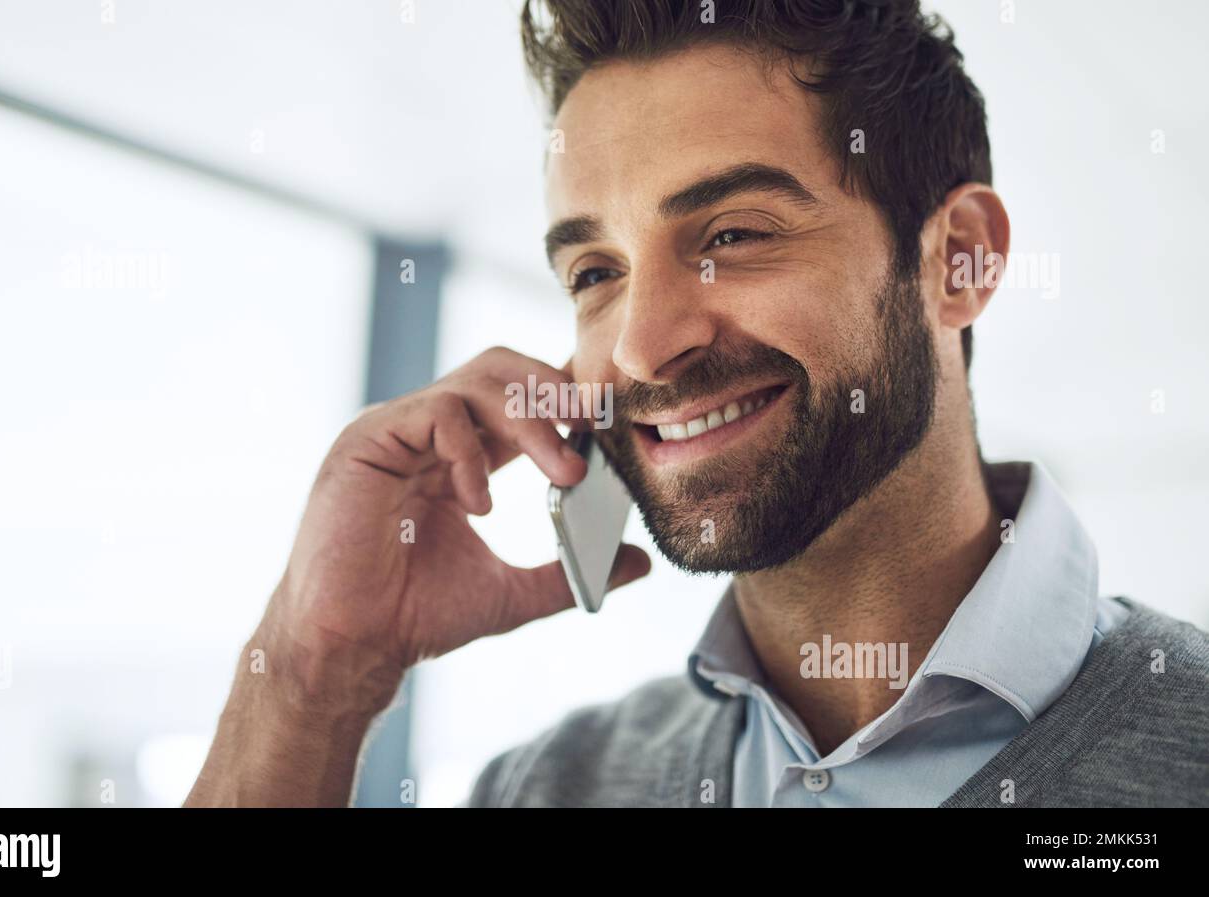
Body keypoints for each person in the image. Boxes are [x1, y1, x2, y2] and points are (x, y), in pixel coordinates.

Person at [185, 0, 1209, 808]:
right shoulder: (545, 791)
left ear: (958, 259)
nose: (638, 343)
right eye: (594, 271)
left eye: (731, 236)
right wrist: (314, 677)